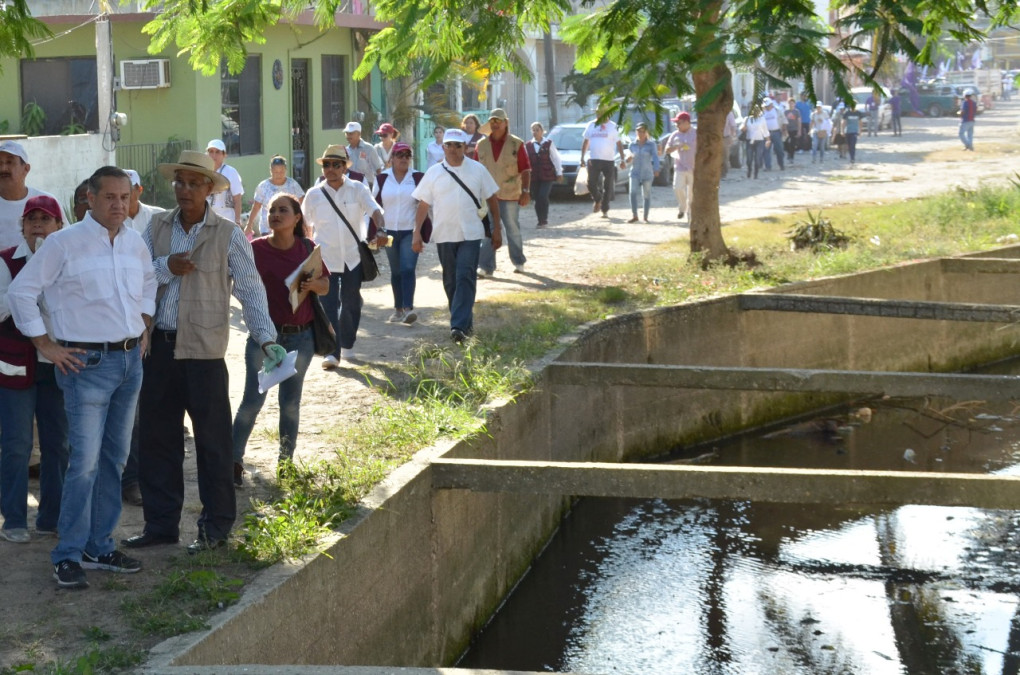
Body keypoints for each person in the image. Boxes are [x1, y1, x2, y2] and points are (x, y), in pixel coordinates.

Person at [124, 150, 279, 555]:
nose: (185, 190)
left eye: (195, 183)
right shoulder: (156, 227)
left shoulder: (228, 233)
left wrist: (266, 338)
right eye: (180, 182)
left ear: (211, 189)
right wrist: (165, 267)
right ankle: (160, 526)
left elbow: (250, 289)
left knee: (213, 444)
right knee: (157, 441)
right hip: (157, 348)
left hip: (206, 352)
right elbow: (133, 277)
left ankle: (215, 529)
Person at [9, 166, 156, 588]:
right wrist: (45, 346)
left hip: (130, 363)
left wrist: (143, 325)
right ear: (88, 199)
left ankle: (99, 546)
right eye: (109, 196)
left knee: (114, 459)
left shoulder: (133, 243)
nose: (118, 205)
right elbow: (22, 293)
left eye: (124, 197)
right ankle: (68, 553)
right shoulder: (62, 243)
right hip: (85, 367)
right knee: (85, 465)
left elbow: (148, 285)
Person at [231, 193, 328, 484]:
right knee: (252, 400)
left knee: (290, 403)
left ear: (297, 218)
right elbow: (238, 283)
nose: (274, 214)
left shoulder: (308, 249)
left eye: (282, 210)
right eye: (272, 210)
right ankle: (233, 463)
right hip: (265, 338)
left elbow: (325, 285)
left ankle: (285, 464)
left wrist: (313, 285)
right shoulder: (255, 249)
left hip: (301, 339)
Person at [0, 196, 69, 544]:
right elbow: (4, 305)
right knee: (16, 443)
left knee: (58, 443)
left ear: (60, 226)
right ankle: (13, 518)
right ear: (22, 226)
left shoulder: (69, 261)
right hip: (14, 365)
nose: (38, 224)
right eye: (32, 219)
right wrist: (31, 278)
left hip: (56, 365)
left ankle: (50, 517)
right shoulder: (6, 261)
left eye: (46, 218)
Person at [412, 129, 501, 345]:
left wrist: (497, 228)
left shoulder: (478, 170)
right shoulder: (433, 173)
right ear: (443, 147)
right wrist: (416, 233)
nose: (453, 149)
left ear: (466, 147)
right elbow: (423, 204)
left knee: (465, 276)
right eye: (449, 145)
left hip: (471, 233)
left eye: (458, 145)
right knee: (451, 280)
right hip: (444, 233)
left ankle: (458, 326)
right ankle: (463, 324)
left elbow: (492, 198)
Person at [302, 145, 387, 368]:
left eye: (335, 164)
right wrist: (304, 250)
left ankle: (347, 343)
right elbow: (304, 224)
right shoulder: (314, 194)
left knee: (351, 303)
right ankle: (333, 352)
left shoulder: (358, 189)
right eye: (327, 164)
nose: (330, 169)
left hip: (352, 257)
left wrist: (381, 230)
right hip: (325, 259)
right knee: (327, 305)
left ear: (344, 167)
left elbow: (375, 210)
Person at [474, 108, 531, 276]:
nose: (495, 124)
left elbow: (526, 169)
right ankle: (486, 266)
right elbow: (475, 170)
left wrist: (526, 191)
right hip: (486, 195)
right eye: (492, 121)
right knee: (487, 230)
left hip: (510, 194)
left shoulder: (517, 143)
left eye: (498, 121)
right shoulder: (481, 145)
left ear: (506, 123)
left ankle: (518, 261)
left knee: (512, 228)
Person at [374, 142, 425, 325]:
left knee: (407, 268)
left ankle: (408, 309)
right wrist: (377, 231)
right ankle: (398, 309)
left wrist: (421, 231)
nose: (404, 158)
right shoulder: (382, 179)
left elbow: (426, 204)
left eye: (407, 155)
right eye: (399, 155)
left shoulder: (418, 177)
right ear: (392, 158)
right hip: (388, 233)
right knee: (396, 271)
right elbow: (375, 206)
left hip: (410, 231)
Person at [0, 141, 65, 250]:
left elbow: (64, 241)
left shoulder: (47, 201)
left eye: (9, 162)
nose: (3, 169)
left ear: (26, 169)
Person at [244, 156, 305, 238]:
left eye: (281, 171)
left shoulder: (293, 185)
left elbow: (302, 204)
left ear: (285, 170)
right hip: (267, 229)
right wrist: (249, 224)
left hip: (289, 229)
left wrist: (304, 223)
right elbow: (256, 207)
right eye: (276, 172)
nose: (279, 175)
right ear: (271, 171)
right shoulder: (263, 186)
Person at [580, 113, 627, 217]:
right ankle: (598, 199)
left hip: (608, 160)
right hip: (594, 159)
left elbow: (619, 143)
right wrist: (582, 156)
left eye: (602, 112)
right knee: (590, 183)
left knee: (608, 185)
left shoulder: (613, 126)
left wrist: (622, 159)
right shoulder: (591, 125)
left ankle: (605, 208)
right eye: (598, 112)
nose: (599, 114)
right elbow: (586, 141)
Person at [526, 122, 563, 228]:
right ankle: (540, 219)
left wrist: (559, 172)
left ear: (542, 131)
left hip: (547, 174)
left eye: (537, 130)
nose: (535, 132)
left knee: (543, 196)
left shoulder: (549, 143)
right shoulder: (528, 145)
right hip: (534, 176)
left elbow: (556, 158)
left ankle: (544, 218)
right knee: (537, 197)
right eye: (533, 130)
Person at [665, 112, 696, 220]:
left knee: (691, 193)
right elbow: (667, 150)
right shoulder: (675, 135)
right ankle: (682, 207)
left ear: (687, 122)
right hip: (680, 166)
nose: (677, 125)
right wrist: (675, 147)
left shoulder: (696, 133)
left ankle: (690, 214)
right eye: (676, 123)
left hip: (693, 167)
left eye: (679, 123)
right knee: (677, 188)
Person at [205, 139, 244, 227]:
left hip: (227, 220)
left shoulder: (231, 172)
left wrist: (237, 221)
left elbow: (237, 199)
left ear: (224, 155)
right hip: (206, 220)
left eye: (217, 152)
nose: (214, 155)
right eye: (211, 151)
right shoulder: (203, 171)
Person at [626, 123, 660, 223]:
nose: (640, 133)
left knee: (646, 194)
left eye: (643, 131)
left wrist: (656, 168)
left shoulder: (651, 144)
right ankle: (634, 215)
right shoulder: (632, 145)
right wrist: (628, 159)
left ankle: (645, 217)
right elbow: (628, 158)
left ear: (646, 132)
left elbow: (655, 157)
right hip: (635, 172)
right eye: (638, 131)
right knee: (632, 192)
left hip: (647, 172)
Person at [122, 170, 166, 234]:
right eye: (122, 190)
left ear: (140, 190)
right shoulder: (110, 221)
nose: (125, 195)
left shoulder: (158, 215)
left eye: (130, 189)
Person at [344, 122, 384, 188]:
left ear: (359, 134)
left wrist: (380, 188)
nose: (348, 136)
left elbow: (378, 170)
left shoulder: (369, 149)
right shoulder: (346, 151)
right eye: (346, 133)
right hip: (351, 187)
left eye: (351, 133)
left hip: (368, 186)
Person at [742, 110, 769, 179]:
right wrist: (743, 128)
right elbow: (742, 128)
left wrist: (768, 140)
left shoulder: (762, 119)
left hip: (759, 141)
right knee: (749, 159)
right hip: (749, 140)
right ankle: (749, 170)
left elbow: (765, 130)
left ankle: (756, 173)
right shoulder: (747, 119)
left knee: (757, 158)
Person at [761, 98, 785, 171]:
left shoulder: (778, 111)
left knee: (779, 150)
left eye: (768, 105)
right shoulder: (762, 113)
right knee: (766, 150)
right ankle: (768, 166)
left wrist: (784, 130)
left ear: (771, 104)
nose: (767, 107)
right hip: (766, 133)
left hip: (776, 132)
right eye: (766, 106)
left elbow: (784, 120)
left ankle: (781, 164)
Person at [783, 99, 801, 164]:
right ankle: (788, 152)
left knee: (793, 144)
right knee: (786, 142)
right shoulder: (786, 112)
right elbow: (783, 121)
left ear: (794, 104)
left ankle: (791, 157)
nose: (791, 104)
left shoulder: (796, 112)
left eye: (792, 103)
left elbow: (799, 121)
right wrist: (784, 129)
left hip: (794, 129)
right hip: (787, 129)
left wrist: (799, 130)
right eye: (790, 103)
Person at [722, 109, 738, 176]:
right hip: (714, 138)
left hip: (725, 137)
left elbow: (733, 126)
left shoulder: (728, 113)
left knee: (724, 155)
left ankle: (723, 172)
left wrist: (732, 137)